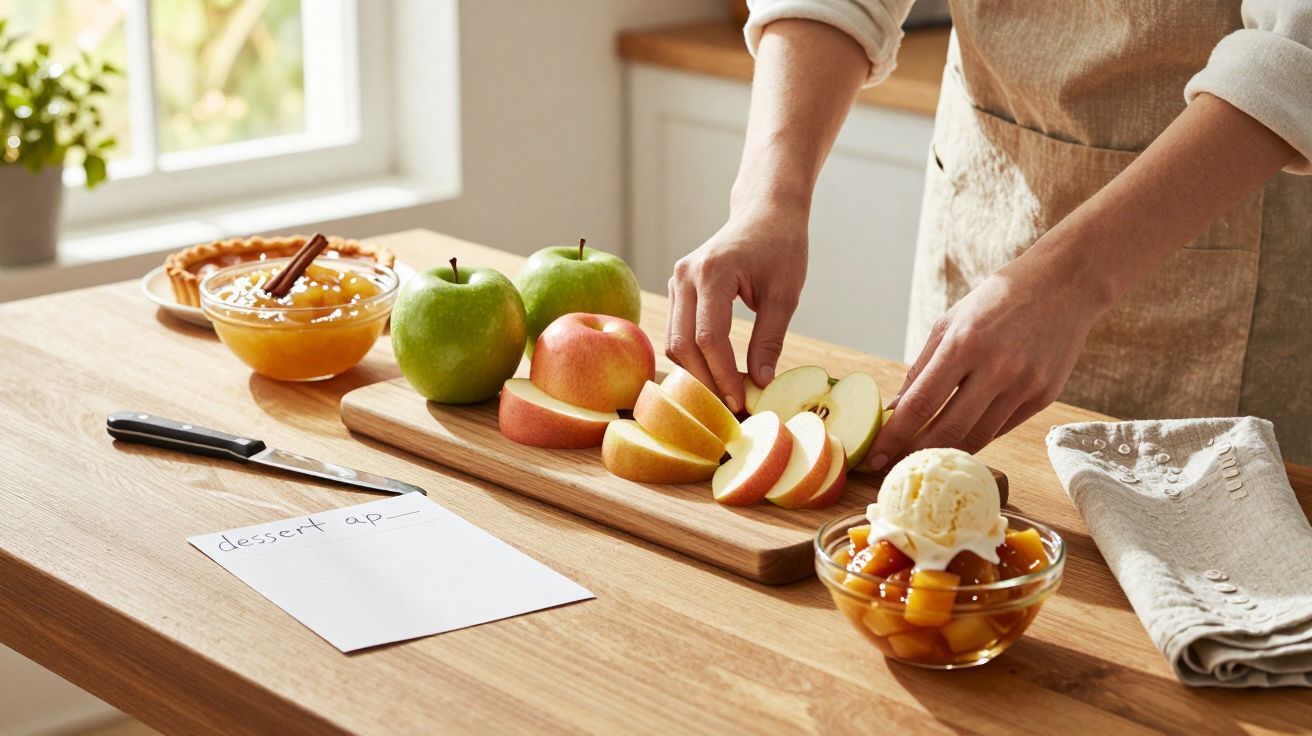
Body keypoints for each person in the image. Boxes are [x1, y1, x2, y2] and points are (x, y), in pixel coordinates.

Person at [665, 1, 1312, 466]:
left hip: (1236, 253)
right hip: (982, 204)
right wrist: (767, 197)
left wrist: (1074, 278)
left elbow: (1296, 54)